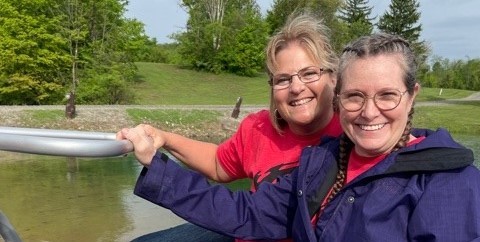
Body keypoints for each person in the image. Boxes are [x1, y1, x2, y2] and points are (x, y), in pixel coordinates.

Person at [119, 33, 480, 241]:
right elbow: (244, 211)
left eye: (387, 95)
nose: (369, 112)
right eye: (356, 97)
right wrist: (155, 161)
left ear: (412, 95)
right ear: (341, 98)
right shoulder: (321, 163)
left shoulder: (447, 181)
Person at [120, 13, 342, 242]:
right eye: (283, 79)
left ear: (334, 78)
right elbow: (218, 164)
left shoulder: (351, 139)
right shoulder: (258, 128)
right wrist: (163, 138)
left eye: (309, 73)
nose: (296, 87)